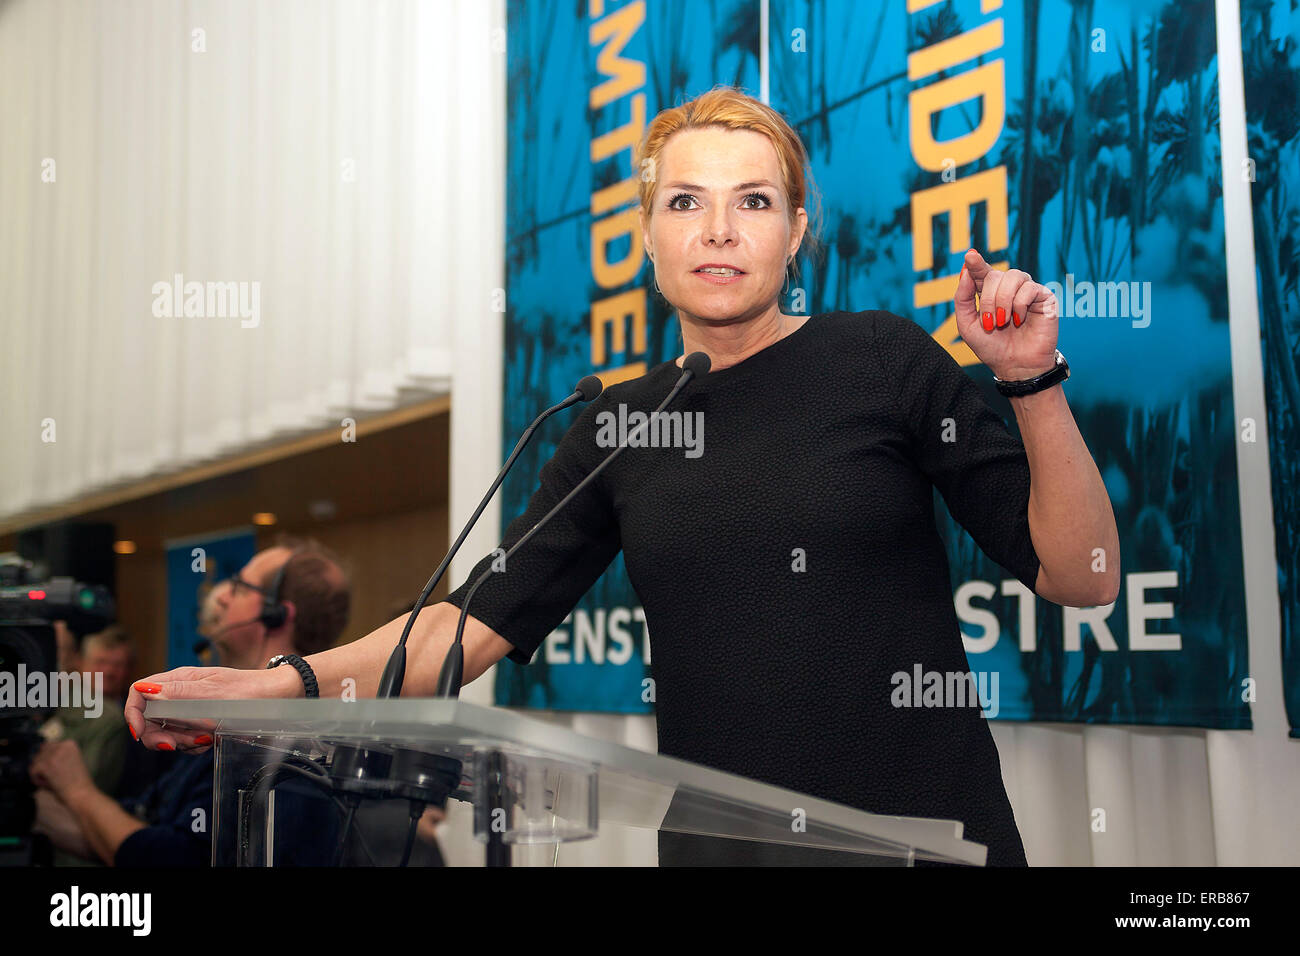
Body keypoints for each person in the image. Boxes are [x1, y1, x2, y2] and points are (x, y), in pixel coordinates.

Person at [126, 87, 1120, 867]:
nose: (718, 228)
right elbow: (460, 626)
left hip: (926, 840)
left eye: (753, 201)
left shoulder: (881, 358)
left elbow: (1082, 574)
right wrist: (275, 689)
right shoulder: (613, 421)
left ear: (796, 232)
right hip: (727, 851)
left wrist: (1028, 378)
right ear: (647, 235)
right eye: (685, 201)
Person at [34, 540, 351, 866]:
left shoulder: (286, 740)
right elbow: (135, 831)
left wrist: (78, 792)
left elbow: (174, 858)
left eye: (241, 587)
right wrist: (37, 804)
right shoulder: (226, 721)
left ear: (277, 615)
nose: (222, 594)